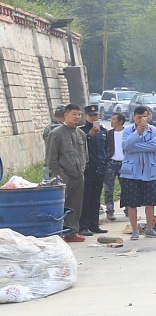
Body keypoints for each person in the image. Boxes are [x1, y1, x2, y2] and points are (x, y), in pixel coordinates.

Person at [119, 105, 156, 240]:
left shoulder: (154, 130)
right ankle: (134, 230)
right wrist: (137, 133)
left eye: (144, 117)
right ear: (134, 117)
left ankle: (149, 228)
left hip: (149, 171)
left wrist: (134, 147)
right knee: (132, 203)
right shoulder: (127, 130)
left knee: (150, 202)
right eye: (139, 118)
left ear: (148, 116)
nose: (142, 120)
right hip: (131, 172)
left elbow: (153, 146)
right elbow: (126, 146)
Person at [47, 104, 87, 242]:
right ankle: (58, 233)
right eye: (74, 114)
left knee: (75, 205)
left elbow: (85, 155)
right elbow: (51, 158)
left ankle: (72, 233)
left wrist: (82, 169)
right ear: (66, 115)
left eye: (79, 114)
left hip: (79, 175)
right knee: (60, 205)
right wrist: (60, 173)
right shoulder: (56, 133)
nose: (77, 117)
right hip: (63, 176)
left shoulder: (81, 134)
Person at [78, 104, 109, 235]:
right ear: (86, 116)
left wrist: (105, 163)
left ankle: (94, 224)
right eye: (91, 115)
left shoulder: (102, 131)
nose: (94, 117)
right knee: (85, 198)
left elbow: (105, 149)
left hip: (100, 168)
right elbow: (79, 147)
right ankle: (84, 226)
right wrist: (89, 136)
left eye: (96, 115)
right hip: (87, 169)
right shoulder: (81, 131)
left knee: (96, 198)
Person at [103, 112, 127, 222]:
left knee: (126, 187)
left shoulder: (127, 132)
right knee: (108, 188)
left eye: (114, 119)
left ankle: (128, 208)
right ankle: (110, 210)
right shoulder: (109, 134)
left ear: (120, 121)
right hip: (111, 163)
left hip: (124, 163)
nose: (111, 121)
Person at [42, 106, 65, 181]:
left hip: (49, 164)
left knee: (51, 189)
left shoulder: (48, 128)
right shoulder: (63, 129)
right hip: (62, 165)